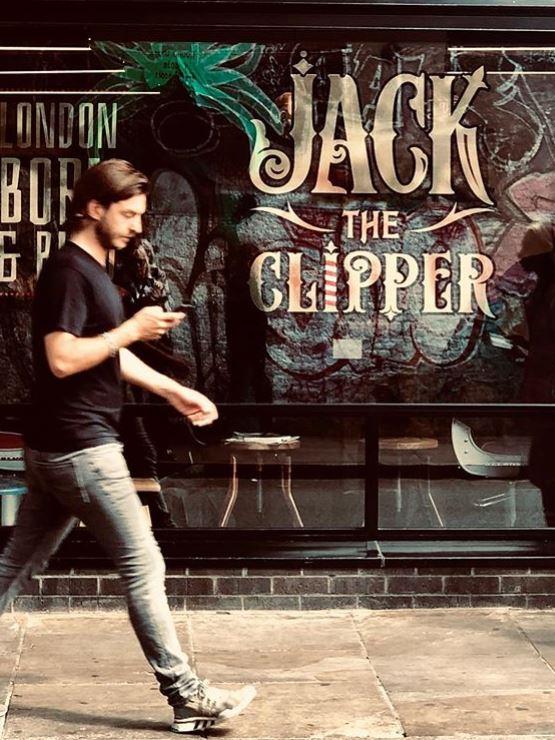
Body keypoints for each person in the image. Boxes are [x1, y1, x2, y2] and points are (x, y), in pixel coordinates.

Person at [0, 159, 256, 734]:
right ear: (94, 208)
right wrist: (131, 329)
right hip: (82, 449)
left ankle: (187, 693)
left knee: (12, 569)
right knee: (143, 564)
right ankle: (186, 693)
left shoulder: (89, 269)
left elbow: (107, 352)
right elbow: (63, 357)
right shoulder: (70, 270)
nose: (138, 226)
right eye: (129, 213)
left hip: (57, 449)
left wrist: (173, 389)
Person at [519, 220, 555, 526]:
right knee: (545, 464)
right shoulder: (544, 289)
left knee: (548, 463)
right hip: (543, 391)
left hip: (549, 392)